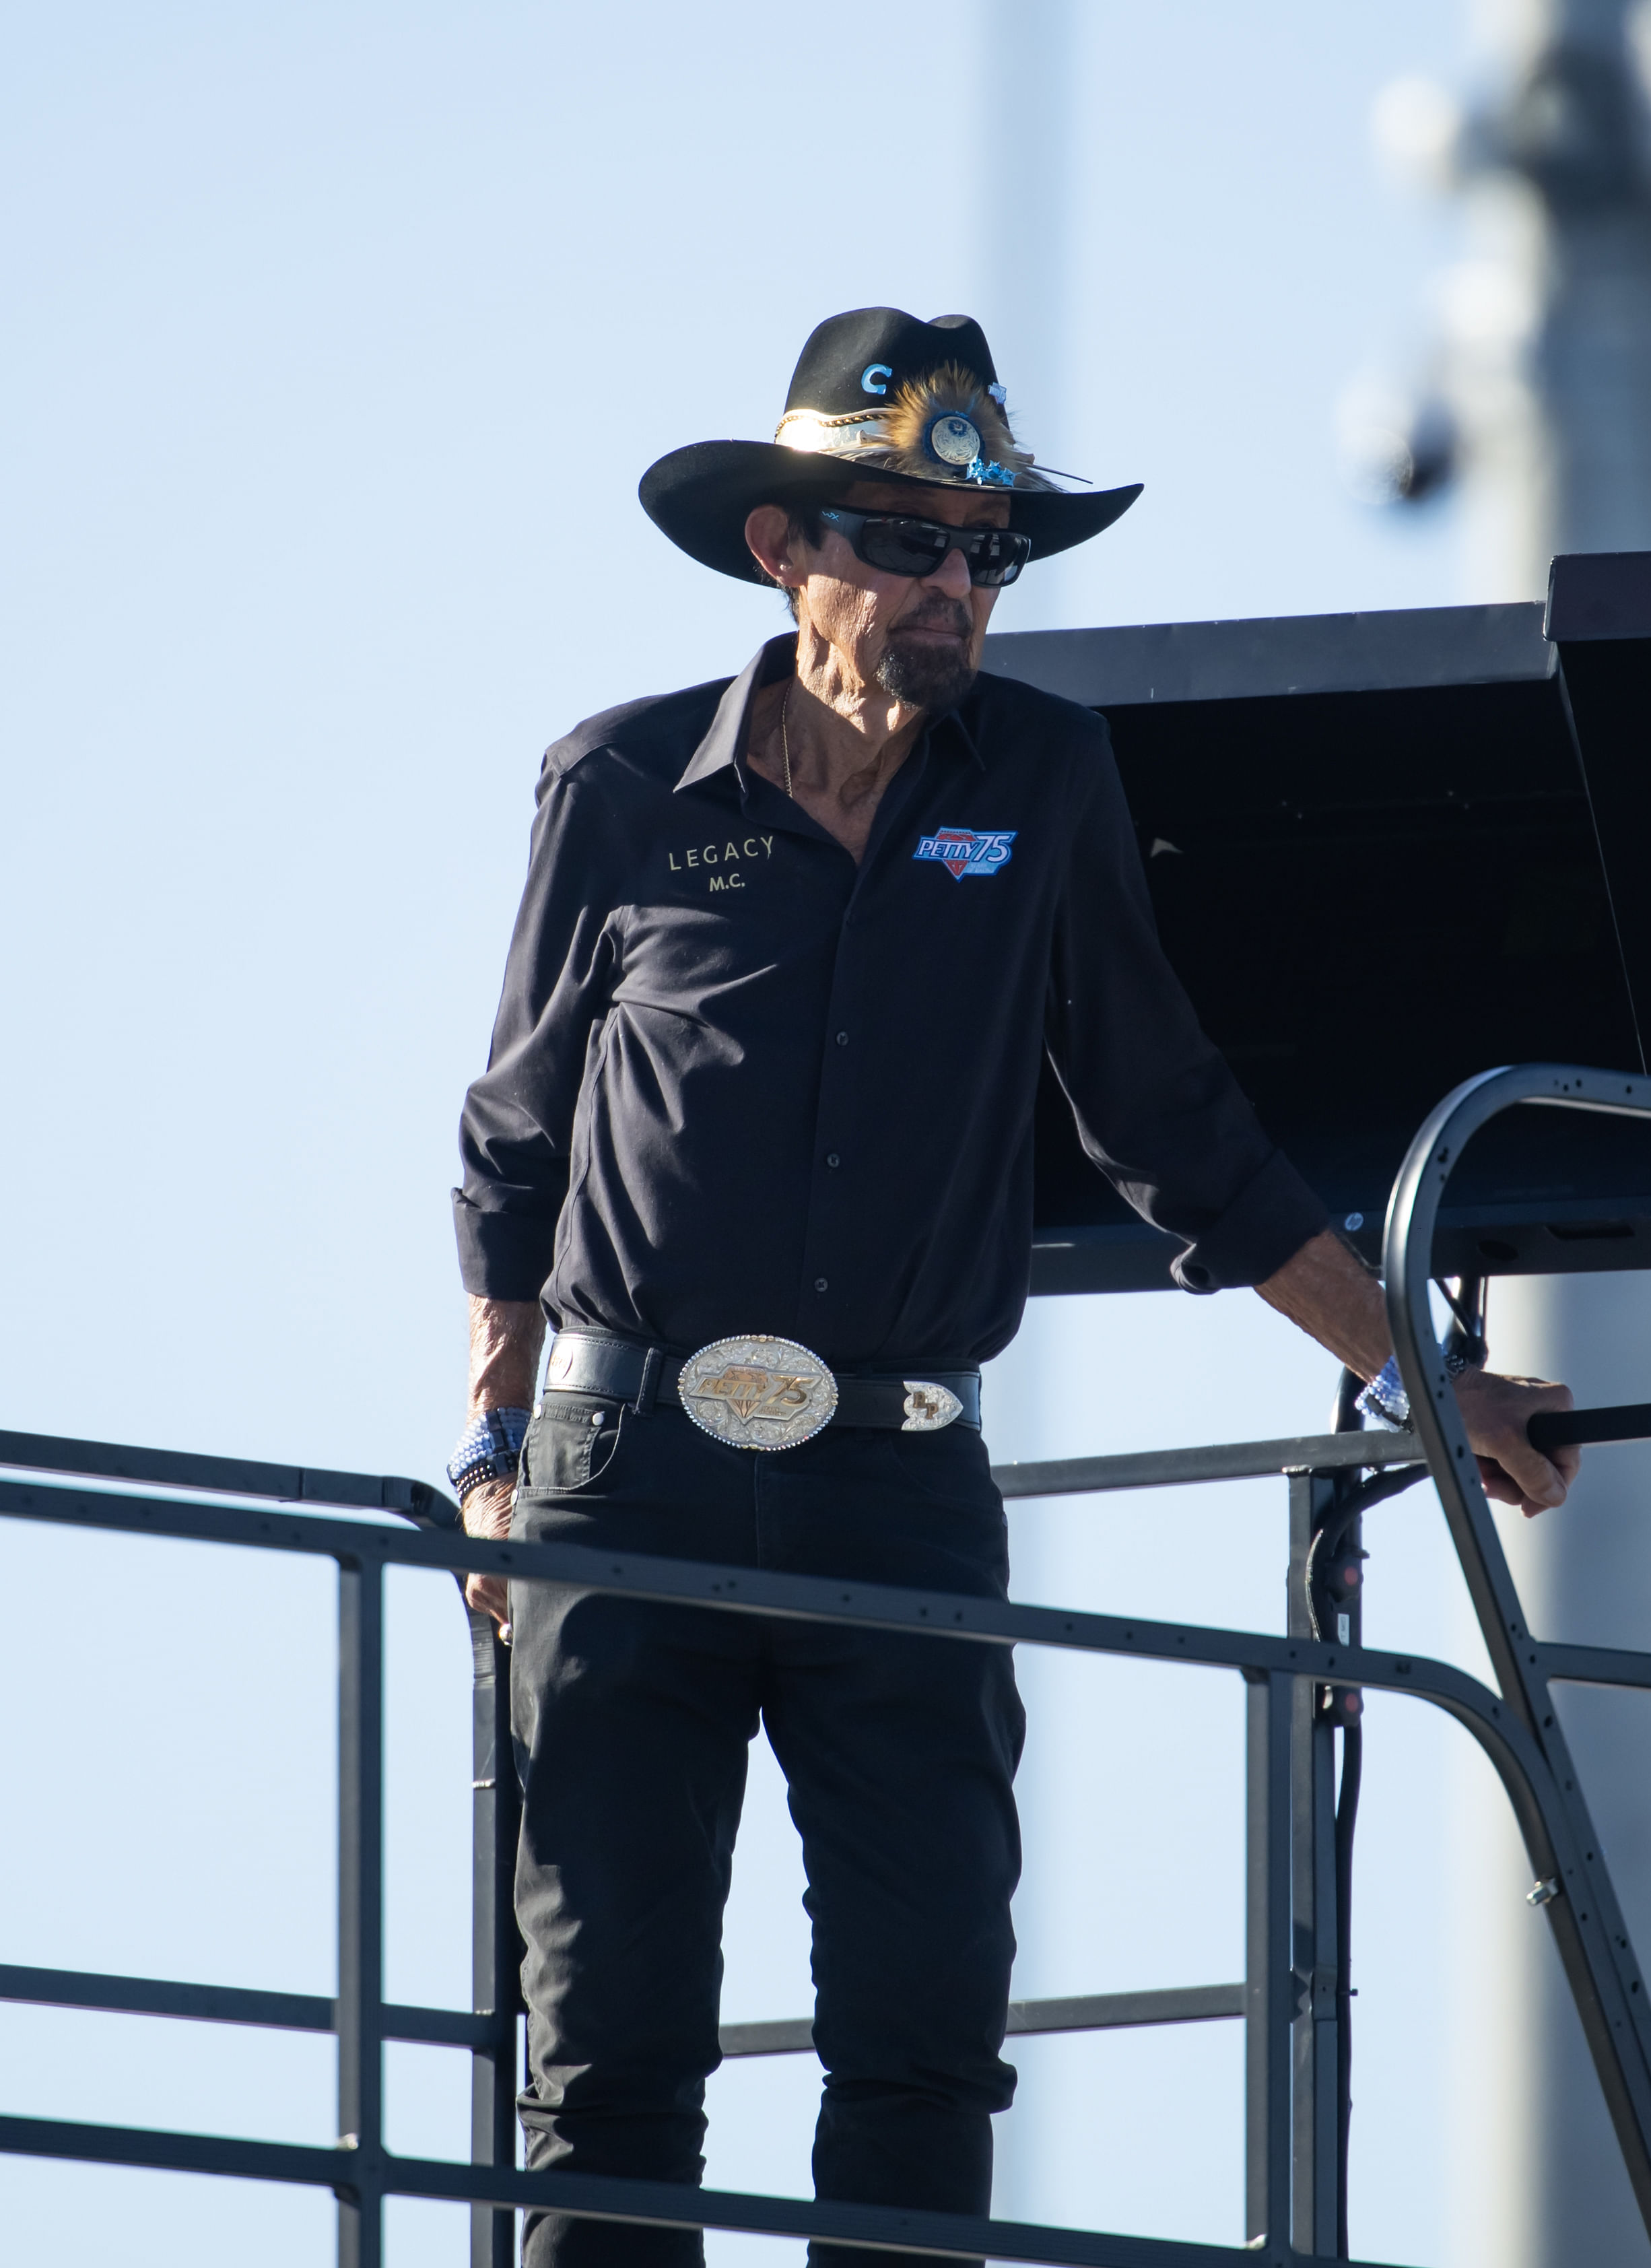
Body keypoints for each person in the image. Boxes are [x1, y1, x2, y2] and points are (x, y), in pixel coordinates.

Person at [448, 308, 1578, 2267]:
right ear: (780, 548)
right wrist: (489, 1450)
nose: (958, 586)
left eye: (991, 552)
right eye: (908, 542)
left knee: (927, 2040)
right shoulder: (622, 782)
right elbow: (508, 1157)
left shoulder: (1045, 779)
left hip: (898, 1488)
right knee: (607, 2049)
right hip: (616, 1477)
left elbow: (1180, 1137)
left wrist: (1429, 1386)